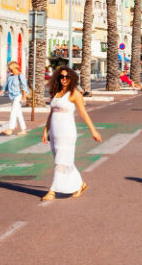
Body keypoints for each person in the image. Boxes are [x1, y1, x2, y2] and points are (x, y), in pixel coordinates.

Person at [41, 67, 102, 202]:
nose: (64, 79)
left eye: (67, 77)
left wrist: (93, 131)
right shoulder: (56, 93)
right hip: (55, 132)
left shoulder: (75, 94)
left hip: (66, 132)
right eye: (61, 77)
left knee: (60, 161)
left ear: (72, 78)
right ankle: (80, 184)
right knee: (64, 161)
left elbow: (83, 113)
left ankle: (52, 190)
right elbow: (51, 113)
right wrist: (46, 130)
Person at [0, 61, 30, 136]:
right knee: (18, 114)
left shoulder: (21, 76)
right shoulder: (10, 76)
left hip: (18, 96)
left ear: (13, 67)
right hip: (12, 96)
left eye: (9, 67)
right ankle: (23, 129)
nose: (8, 69)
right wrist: (0, 93)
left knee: (13, 112)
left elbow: (24, 87)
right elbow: (5, 87)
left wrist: (23, 96)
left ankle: (11, 128)